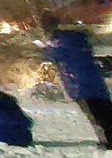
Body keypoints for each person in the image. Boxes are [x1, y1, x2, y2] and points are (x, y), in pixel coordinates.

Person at [44, 13, 112, 149]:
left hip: (79, 86)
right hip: (96, 83)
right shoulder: (80, 38)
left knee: (96, 117)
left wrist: (46, 46)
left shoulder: (58, 42)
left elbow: (51, 55)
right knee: (107, 112)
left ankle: (108, 142)